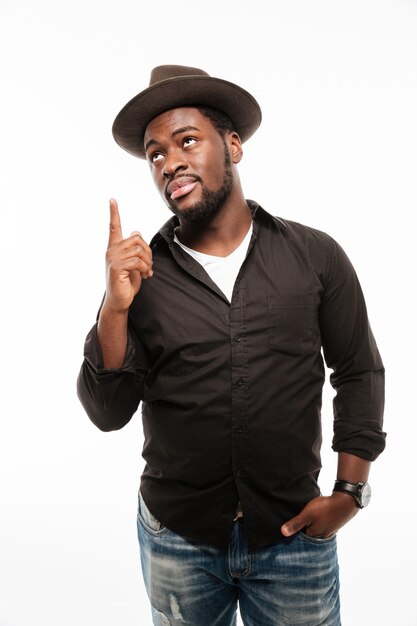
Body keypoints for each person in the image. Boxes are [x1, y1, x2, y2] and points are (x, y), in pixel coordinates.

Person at [77, 65, 386, 626]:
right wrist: (114, 306)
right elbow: (106, 413)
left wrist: (350, 491)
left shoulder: (317, 256)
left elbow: (359, 371)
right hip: (178, 542)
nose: (168, 163)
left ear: (234, 145)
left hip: (294, 539)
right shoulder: (140, 277)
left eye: (186, 141)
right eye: (154, 154)